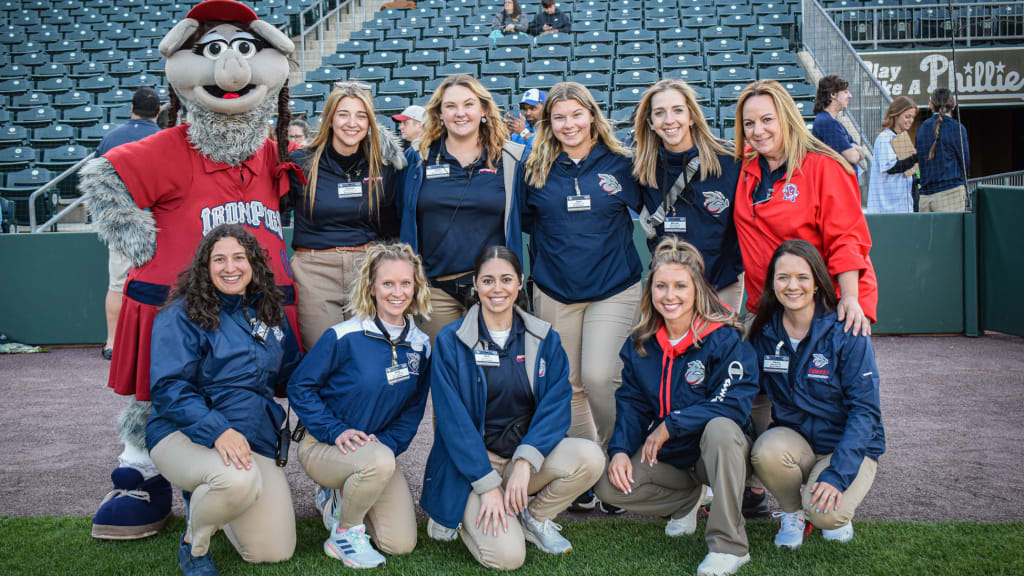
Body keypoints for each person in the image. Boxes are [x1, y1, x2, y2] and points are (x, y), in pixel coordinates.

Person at [421, 246, 605, 570]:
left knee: (590, 457)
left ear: (520, 282)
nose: (498, 289)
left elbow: (556, 407)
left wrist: (525, 460)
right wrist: (486, 484)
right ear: (475, 284)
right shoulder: (451, 341)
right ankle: (463, 513)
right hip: (474, 466)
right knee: (507, 557)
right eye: (488, 280)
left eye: (506, 279)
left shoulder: (544, 338)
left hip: (521, 459)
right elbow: (453, 423)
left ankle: (535, 517)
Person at [595, 237, 757, 576]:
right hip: (675, 458)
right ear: (650, 290)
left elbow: (733, 406)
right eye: (661, 286)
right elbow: (632, 403)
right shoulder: (642, 342)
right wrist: (621, 450)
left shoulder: (725, 337)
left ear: (697, 288)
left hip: (718, 454)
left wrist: (671, 424)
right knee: (609, 486)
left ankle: (729, 546)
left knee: (721, 429)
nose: (670, 296)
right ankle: (687, 503)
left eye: (680, 286)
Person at [147, 224, 301, 575]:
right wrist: (218, 431)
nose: (230, 267)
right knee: (236, 482)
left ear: (253, 264)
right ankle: (195, 544)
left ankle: (211, 497)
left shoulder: (270, 311)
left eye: (239, 258)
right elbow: (169, 388)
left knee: (273, 551)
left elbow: (294, 373)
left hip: (250, 437)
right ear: (205, 265)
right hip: (183, 433)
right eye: (219, 259)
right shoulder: (180, 315)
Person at [522, 81, 642, 512]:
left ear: (592, 115)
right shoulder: (534, 168)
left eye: (576, 114)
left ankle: (619, 459)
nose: (568, 124)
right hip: (555, 289)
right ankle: (590, 472)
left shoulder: (621, 163)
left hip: (614, 286)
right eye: (559, 117)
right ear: (548, 123)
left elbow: (656, 212)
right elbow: (521, 222)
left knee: (600, 376)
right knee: (568, 384)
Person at [287, 242, 432, 568]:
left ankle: (347, 493)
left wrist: (388, 442)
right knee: (377, 462)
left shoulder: (421, 346)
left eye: (405, 283)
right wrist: (334, 429)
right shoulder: (344, 335)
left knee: (400, 544)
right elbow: (299, 386)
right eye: (388, 283)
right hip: (325, 446)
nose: (397, 292)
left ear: (416, 287)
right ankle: (344, 532)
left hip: (377, 451)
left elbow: (412, 410)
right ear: (371, 287)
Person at [748, 240, 885, 548]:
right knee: (765, 451)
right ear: (772, 283)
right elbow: (748, 393)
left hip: (845, 447)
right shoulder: (765, 334)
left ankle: (827, 501)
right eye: (783, 277)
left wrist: (837, 474)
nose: (791, 286)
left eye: (802, 277)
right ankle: (793, 513)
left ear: (817, 284)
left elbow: (865, 412)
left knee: (826, 515)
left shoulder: (847, 330)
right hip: (799, 442)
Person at [733, 80, 877, 337]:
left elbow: (846, 239)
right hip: (766, 308)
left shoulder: (825, 167)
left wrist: (850, 298)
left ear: (786, 118)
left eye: (767, 120)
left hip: (821, 306)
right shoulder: (743, 165)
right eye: (749, 123)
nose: (758, 131)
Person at [396, 74, 526, 341]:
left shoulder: (510, 158)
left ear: (483, 110)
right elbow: (400, 214)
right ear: (439, 113)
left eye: (468, 104)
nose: (460, 113)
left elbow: (529, 216)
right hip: (435, 291)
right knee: (438, 365)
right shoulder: (418, 157)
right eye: (451, 106)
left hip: (491, 291)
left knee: (490, 365)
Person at [287, 83, 406, 351]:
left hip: (366, 267)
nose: (352, 123)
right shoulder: (301, 161)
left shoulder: (382, 164)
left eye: (361, 116)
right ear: (330, 119)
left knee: (366, 354)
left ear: (370, 122)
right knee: (323, 353)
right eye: (343, 114)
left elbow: (390, 222)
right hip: (314, 270)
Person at [633, 79, 744, 312]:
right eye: (659, 113)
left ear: (691, 116)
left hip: (721, 283)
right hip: (671, 289)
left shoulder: (730, 161)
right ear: (650, 122)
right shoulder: (641, 169)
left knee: (720, 338)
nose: (669, 120)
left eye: (678, 110)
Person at [95, 86, 162, 362]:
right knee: (161, 284)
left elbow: (97, 185)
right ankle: (157, 342)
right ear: (158, 111)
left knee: (117, 285)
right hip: (158, 223)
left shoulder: (111, 138)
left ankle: (112, 343)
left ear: (131, 109)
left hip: (122, 224)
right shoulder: (164, 138)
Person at [915, 87, 970, 213]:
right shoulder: (957, 128)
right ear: (954, 104)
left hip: (925, 196)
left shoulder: (922, 128)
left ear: (931, 105)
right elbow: (965, 162)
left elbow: (919, 160)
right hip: (950, 193)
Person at [867, 96, 918, 214]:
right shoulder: (884, 137)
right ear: (896, 114)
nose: (910, 120)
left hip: (904, 205)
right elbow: (891, 168)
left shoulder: (902, 137)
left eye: (913, 117)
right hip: (886, 207)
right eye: (907, 116)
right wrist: (915, 158)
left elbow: (908, 171)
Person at [811, 75, 868, 169]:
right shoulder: (827, 123)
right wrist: (855, 149)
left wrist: (854, 148)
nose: (850, 96)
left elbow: (857, 151)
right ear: (833, 94)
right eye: (845, 92)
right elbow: (853, 157)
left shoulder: (833, 122)